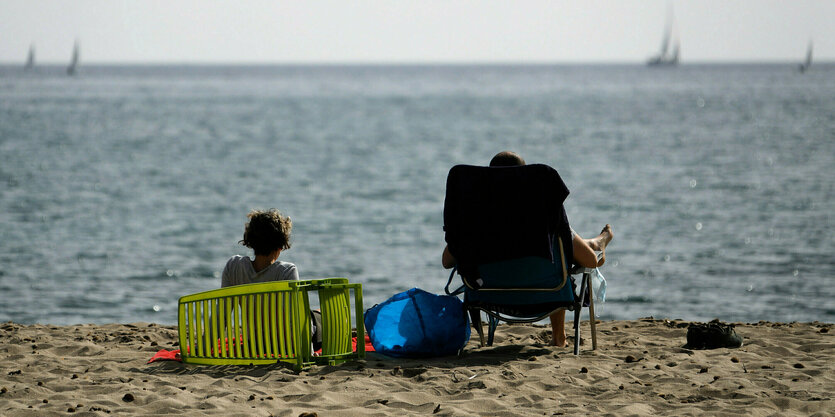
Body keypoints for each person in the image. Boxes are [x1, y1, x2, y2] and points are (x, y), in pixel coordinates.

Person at [441, 151, 614, 348]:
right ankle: (559, 337)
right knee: (561, 259)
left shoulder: (473, 224)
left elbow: (447, 262)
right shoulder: (545, 218)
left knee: (561, 251)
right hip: (546, 297)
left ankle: (594, 241)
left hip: (488, 297)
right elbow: (591, 262)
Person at [221, 208, 299, 288]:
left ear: (251, 241)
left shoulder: (233, 266)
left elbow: (223, 300)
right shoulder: (286, 272)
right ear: (280, 247)